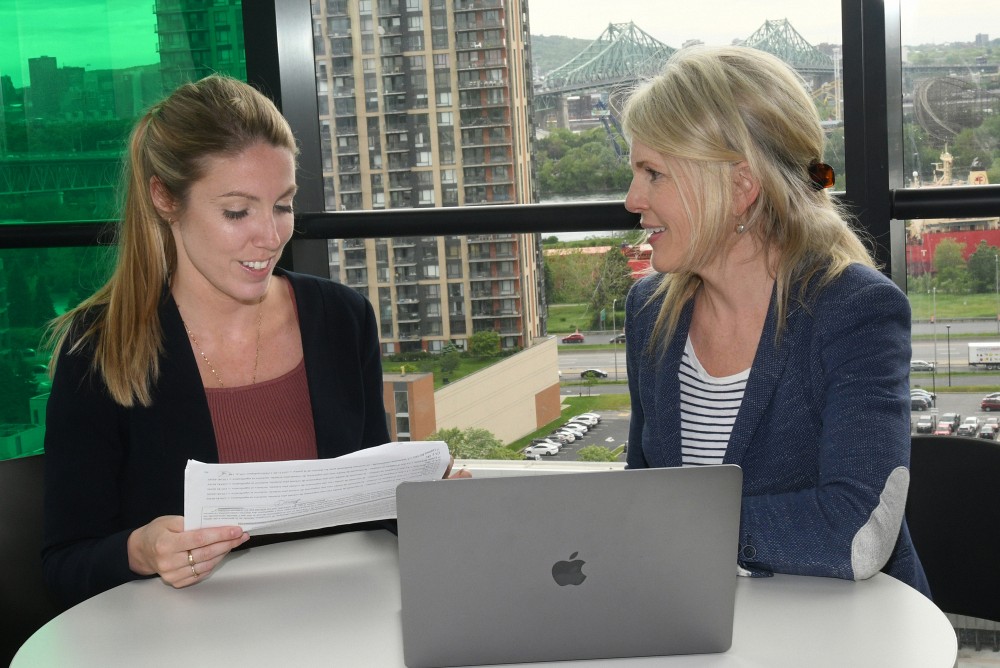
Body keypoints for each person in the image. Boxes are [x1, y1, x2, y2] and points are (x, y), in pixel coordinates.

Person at [42, 75, 397, 607]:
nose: (271, 237)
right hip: (185, 640)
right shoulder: (99, 347)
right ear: (165, 198)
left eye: (283, 205)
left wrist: (424, 503)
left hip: (338, 620)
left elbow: (374, 510)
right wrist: (140, 550)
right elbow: (64, 564)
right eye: (237, 212)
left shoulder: (343, 318)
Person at [620, 46, 930, 596]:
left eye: (653, 173)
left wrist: (677, 530)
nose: (632, 199)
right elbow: (641, 495)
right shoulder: (650, 312)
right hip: (697, 620)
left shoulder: (854, 311)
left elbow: (857, 530)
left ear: (741, 187)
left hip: (845, 630)